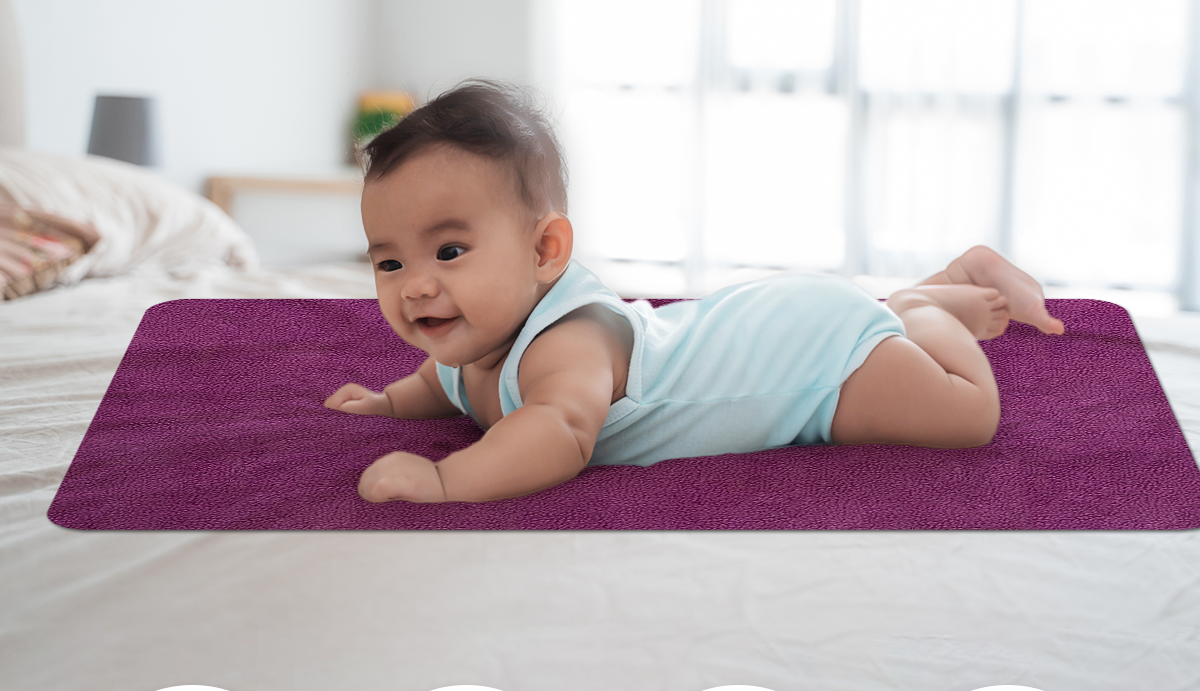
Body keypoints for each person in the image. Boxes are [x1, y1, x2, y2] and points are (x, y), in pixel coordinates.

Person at [325, 82, 1065, 504]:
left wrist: (447, 481)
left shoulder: (568, 348)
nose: (416, 287)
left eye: (450, 251)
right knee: (923, 373)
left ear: (546, 251)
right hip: (755, 327)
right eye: (388, 264)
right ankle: (915, 301)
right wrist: (392, 401)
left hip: (815, 366)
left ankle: (928, 307)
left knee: (968, 416)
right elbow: (444, 379)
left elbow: (556, 435)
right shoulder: (471, 333)